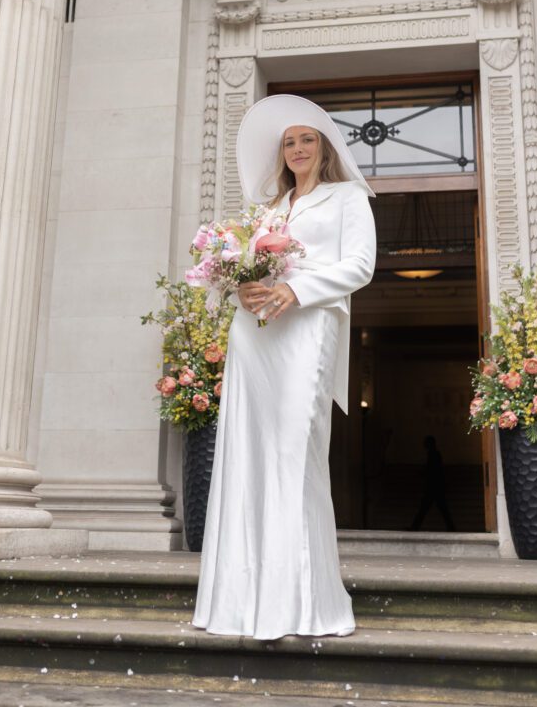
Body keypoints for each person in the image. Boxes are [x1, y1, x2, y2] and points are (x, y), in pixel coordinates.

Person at [192, 94, 377, 640]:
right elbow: (244, 271)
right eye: (289, 142)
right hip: (255, 336)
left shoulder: (348, 197)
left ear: (324, 147)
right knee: (246, 455)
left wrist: (296, 289)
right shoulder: (266, 211)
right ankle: (239, 601)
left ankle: (301, 603)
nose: (297, 149)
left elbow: (361, 266)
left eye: (307, 139)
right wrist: (239, 286)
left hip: (308, 330)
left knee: (295, 455)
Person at [408, 435, 456, 532]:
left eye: (426, 443)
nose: (424, 445)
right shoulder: (434, 454)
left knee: (426, 509)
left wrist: (422, 473)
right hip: (435, 486)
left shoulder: (433, 454)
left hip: (433, 487)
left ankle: (414, 527)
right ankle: (451, 527)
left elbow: (433, 470)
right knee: (439, 509)